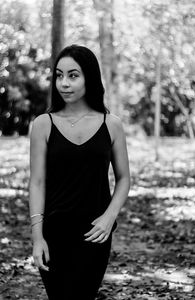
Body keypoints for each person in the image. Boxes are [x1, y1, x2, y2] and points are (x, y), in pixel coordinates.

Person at [29, 44, 130, 300]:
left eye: (73, 75)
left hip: (95, 234)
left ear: (90, 77)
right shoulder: (43, 125)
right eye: (59, 75)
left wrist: (109, 216)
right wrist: (37, 237)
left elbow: (124, 179)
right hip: (54, 234)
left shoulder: (112, 124)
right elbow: (37, 183)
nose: (64, 83)